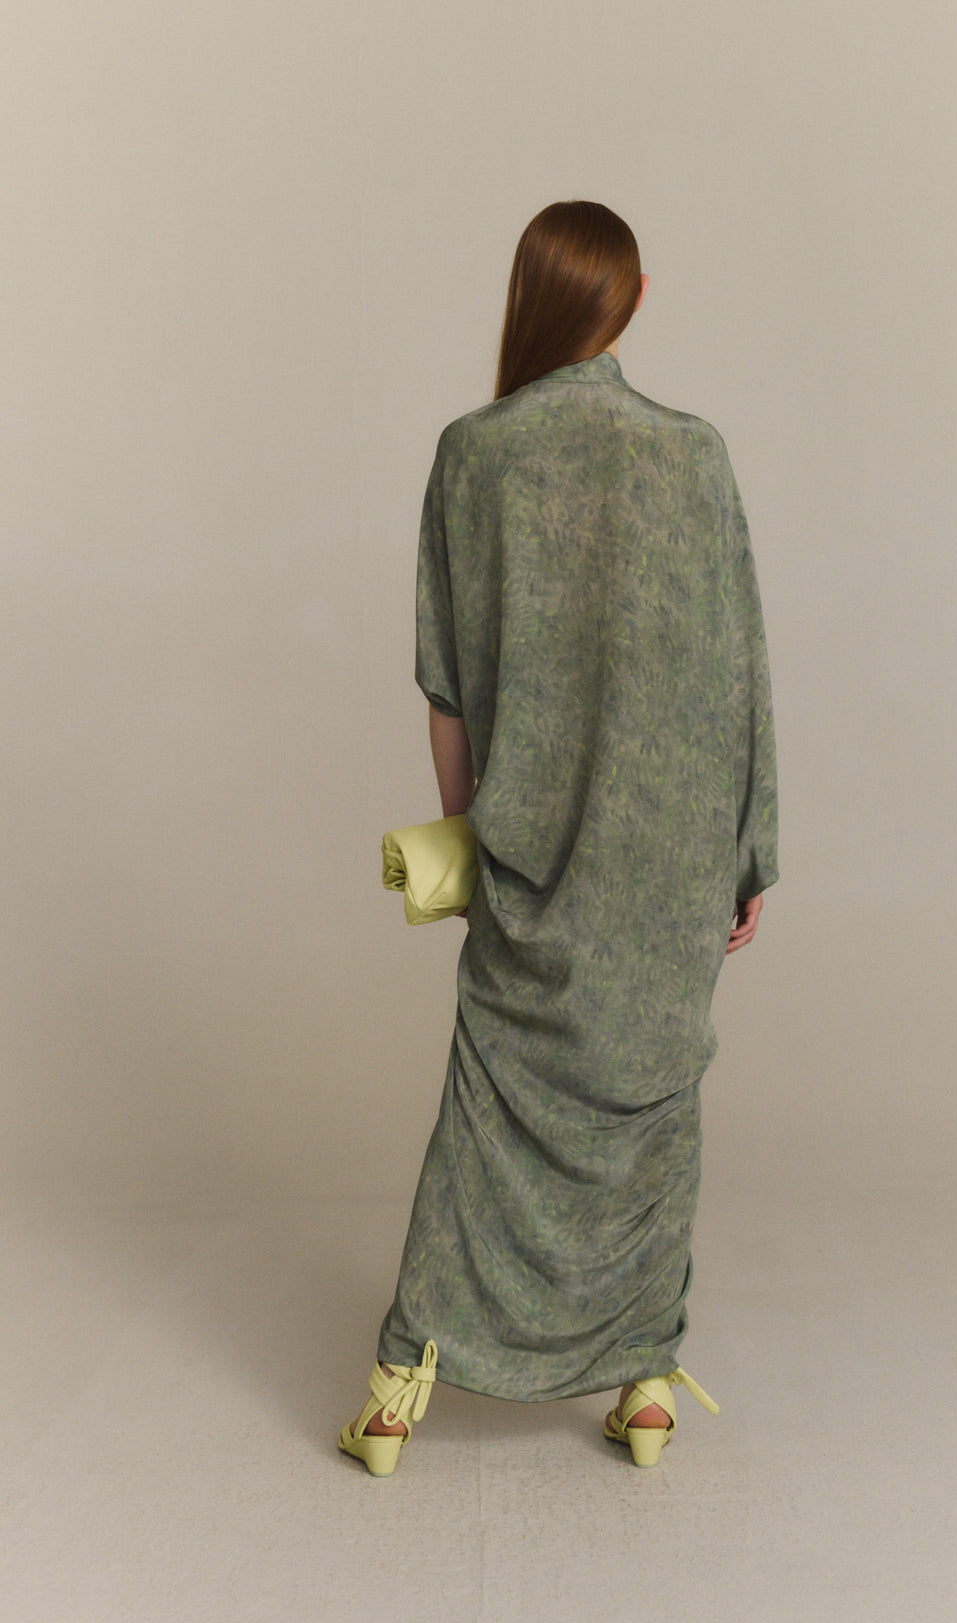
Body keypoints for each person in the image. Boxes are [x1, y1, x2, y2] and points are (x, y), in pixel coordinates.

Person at [339, 200, 778, 1476]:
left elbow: (447, 686)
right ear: (631, 298)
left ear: (530, 297)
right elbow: (740, 674)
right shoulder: (694, 456)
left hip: (534, 854)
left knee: (489, 1109)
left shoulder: (471, 455)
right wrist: (746, 849)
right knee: (654, 1120)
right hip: (673, 862)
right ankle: (642, 1388)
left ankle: (396, 1392)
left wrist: (470, 839)